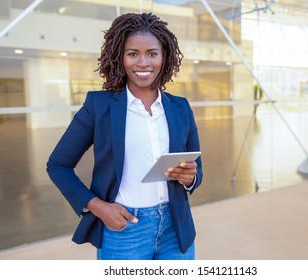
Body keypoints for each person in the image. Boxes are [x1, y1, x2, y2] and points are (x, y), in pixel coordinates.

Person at [46, 12, 203, 260]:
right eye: (132, 54)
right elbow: (58, 165)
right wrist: (98, 208)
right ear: (120, 57)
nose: (143, 62)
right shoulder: (99, 106)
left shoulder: (180, 107)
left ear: (164, 57)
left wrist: (189, 178)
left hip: (176, 228)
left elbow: (196, 170)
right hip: (125, 229)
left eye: (152, 53)